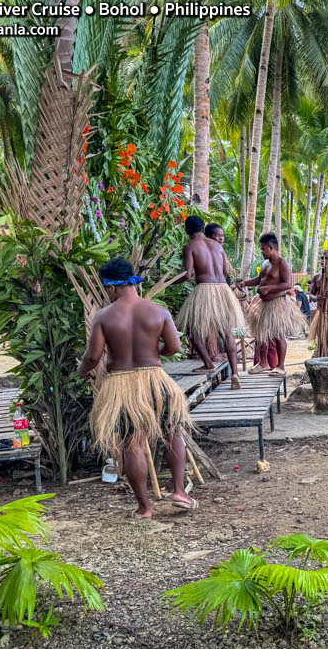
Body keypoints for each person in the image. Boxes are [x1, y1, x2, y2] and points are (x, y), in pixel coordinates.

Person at [79, 257, 196, 518]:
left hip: (121, 385)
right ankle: (179, 492)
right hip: (155, 379)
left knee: (131, 444)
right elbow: (174, 348)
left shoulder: (104, 317)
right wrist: (154, 353)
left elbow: (93, 356)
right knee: (172, 432)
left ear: (110, 287)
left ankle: (145, 507)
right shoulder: (158, 311)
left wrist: (83, 371)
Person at [175, 216, 245, 387]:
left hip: (205, 290)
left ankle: (208, 364)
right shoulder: (217, 246)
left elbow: (188, 274)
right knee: (227, 332)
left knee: (193, 331)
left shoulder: (190, 246)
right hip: (223, 290)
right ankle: (235, 374)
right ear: (203, 227)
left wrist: (170, 281)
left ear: (186, 230)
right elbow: (225, 271)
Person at [242, 232, 307, 376]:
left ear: (271, 248)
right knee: (262, 334)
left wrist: (269, 288)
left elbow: (288, 284)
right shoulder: (265, 263)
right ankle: (263, 363)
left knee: (278, 335)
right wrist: (244, 283)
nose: (261, 251)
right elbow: (259, 279)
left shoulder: (282, 263)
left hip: (277, 303)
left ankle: (281, 366)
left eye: (263, 249)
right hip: (264, 304)